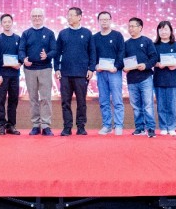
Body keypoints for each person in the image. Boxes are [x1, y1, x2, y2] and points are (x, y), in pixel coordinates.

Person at [54, 7, 95, 136]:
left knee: (81, 102)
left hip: (81, 74)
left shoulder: (87, 33)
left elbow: (92, 52)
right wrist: (57, 68)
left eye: (72, 15)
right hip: (65, 73)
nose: (69, 17)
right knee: (65, 102)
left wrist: (91, 68)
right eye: (68, 15)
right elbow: (57, 53)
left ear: (79, 17)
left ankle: (81, 127)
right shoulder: (63, 33)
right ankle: (67, 127)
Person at [19, 8, 58, 136]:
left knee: (46, 98)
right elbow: (21, 50)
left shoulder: (49, 33)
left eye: (39, 16)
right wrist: (23, 59)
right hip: (30, 69)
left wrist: (47, 55)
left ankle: (46, 125)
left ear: (43, 17)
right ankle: (35, 125)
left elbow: (54, 50)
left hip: (45, 69)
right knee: (33, 98)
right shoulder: (26, 33)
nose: (37, 18)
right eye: (34, 16)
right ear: (31, 18)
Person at [124, 17, 158, 138]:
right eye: (129, 26)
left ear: (140, 28)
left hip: (145, 78)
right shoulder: (126, 44)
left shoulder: (147, 41)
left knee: (148, 105)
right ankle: (139, 128)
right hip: (131, 79)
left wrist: (146, 65)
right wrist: (124, 67)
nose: (130, 29)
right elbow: (123, 60)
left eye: (133, 26)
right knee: (136, 106)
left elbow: (154, 58)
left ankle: (151, 128)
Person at [93, 11, 125, 135]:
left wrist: (116, 67)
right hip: (101, 73)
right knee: (103, 100)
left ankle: (118, 125)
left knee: (117, 100)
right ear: (98, 21)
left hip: (114, 72)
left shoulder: (117, 36)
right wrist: (95, 66)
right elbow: (92, 55)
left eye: (106, 19)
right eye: (102, 19)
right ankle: (107, 125)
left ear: (110, 20)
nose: (104, 21)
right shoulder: (95, 37)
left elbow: (121, 53)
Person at [0, 14, 22, 135]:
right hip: (2, 75)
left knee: (13, 100)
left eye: (9, 21)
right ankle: (1, 125)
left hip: (14, 75)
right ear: (1, 24)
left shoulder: (18, 38)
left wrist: (20, 63)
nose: (7, 24)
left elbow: (21, 54)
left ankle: (11, 125)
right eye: (4, 22)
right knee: (0, 100)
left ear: (12, 22)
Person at [153, 21, 176, 136]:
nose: (163, 32)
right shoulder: (154, 45)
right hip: (159, 79)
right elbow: (151, 60)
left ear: (170, 31)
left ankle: (172, 126)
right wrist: (157, 64)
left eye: (166, 29)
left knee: (171, 105)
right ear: (158, 31)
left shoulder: (175, 45)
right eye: (161, 29)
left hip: (173, 80)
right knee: (161, 105)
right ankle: (163, 127)